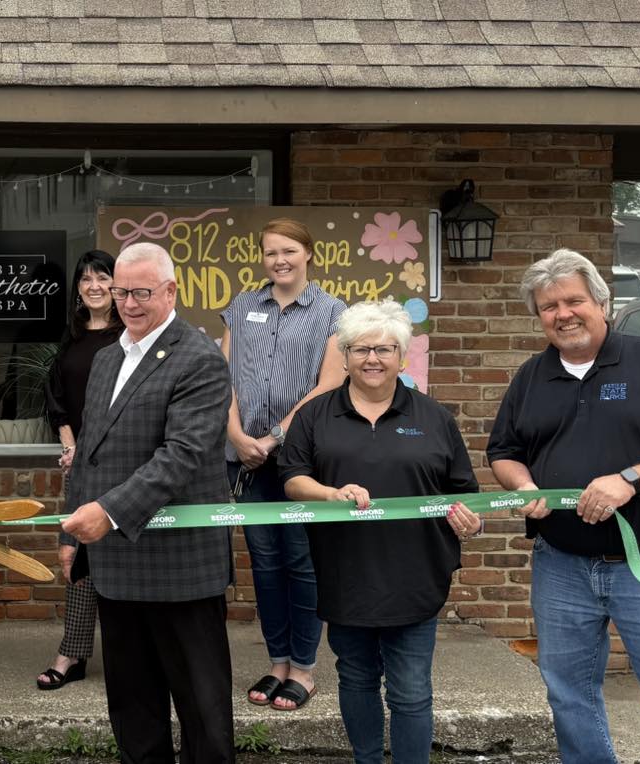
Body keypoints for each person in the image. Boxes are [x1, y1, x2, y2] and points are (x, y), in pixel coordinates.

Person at [488, 249, 640, 764]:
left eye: (573, 300)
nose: (563, 314)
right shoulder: (531, 377)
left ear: (602, 302)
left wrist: (631, 481)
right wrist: (522, 485)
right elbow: (503, 451)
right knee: (569, 697)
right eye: (549, 307)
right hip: (561, 567)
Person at [278, 300, 482, 764]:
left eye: (384, 349)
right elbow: (292, 479)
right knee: (356, 679)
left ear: (402, 357)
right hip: (344, 573)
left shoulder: (434, 418)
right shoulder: (315, 416)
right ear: (345, 356)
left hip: (416, 577)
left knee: (410, 691)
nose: (372, 358)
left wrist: (471, 521)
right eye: (360, 349)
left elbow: (463, 493)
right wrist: (330, 494)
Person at [59, 242, 235, 763]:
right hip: (115, 564)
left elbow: (180, 456)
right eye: (121, 293)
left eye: (141, 293)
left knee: (203, 712)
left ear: (170, 292)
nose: (128, 304)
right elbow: (88, 453)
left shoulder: (200, 358)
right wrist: (71, 534)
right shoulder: (107, 357)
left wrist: (108, 512)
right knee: (133, 709)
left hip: (180, 567)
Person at [220, 218, 347, 711]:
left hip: (300, 458)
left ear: (308, 254)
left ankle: (304, 669)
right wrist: (237, 437)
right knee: (265, 563)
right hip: (246, 458)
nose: (280, 260)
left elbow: (329, 385)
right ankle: (277, 663)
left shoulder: (332, 311)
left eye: (289, 250)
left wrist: (272, 438)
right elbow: (223, 378)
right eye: (271, 252)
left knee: (300, 560)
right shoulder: (242, 306)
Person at [38, 249, 123, 691]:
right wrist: (70, 446)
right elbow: (56, 397)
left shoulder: (130, 335)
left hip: (125, 463)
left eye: (102, 277)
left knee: (125, 555)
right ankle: (72, 651)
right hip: (80, 463)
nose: (94, 286)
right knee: (76, 554)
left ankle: (129, 653)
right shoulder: (70, 336)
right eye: (86, 279)